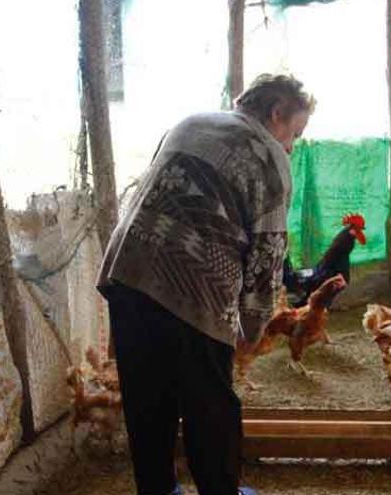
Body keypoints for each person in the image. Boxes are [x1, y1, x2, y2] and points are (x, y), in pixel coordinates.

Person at [97, 74, 314, 495]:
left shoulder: (190, 123)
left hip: (128, 269)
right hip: (195, 287)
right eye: (296, 133)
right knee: (210, 408)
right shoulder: (269, 156)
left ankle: (158, 490)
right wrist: (252, 330)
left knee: (147, 403)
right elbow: (268, 253)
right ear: (276, 114)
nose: (292, 145)